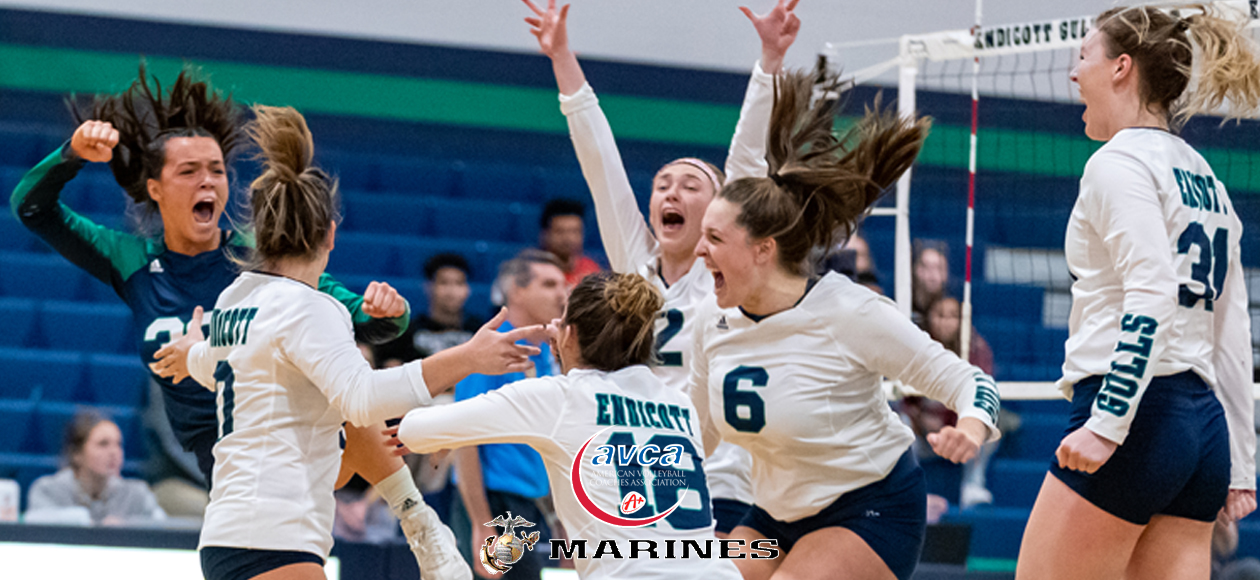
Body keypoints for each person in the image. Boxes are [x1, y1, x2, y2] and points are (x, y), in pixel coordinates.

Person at [9, 66, 461, 574]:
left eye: (218, 170)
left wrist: (388, 311)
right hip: (226, 469)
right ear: (154, 188)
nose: (208, 180)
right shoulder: (131, 260)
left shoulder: (262, 262)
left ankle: (419, 521)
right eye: (189, 171)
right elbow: (32, 209)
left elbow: (357, 320)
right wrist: (71, 155)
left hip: (291, 453)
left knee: (350, 371)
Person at [151, 105, 552, 580]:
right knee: (350, 403)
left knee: (337, 409)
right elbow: (364, 399)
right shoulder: (310, 307)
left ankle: (422, 524)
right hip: (277, 536)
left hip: (229, 534)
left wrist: (187, 350)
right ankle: (423, 525)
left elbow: (207, 362)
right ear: (330, 235)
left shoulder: (234, 299)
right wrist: (468, 356)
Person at [689, 70, 1000, 580]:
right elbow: (698, 432)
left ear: (762, 250)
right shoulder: (712, 320)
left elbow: (970, 381)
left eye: (715, 239)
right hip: (773, 514)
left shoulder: (850, 313)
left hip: (870, 506)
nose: (700, 251)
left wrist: (970, 426)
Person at [527, 0, 800, 537]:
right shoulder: (635, 266)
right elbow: (599, 160)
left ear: (721, 210)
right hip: (639, 475)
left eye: (690, 185)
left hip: (719, 477)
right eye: (662, 185)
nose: (671, 191)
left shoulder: (729, 274)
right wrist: (561, 57)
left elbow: (747, 158)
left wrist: (769, 61)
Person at [1015, 6, 1258, 580]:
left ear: (1121, 67)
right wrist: (1242, 462)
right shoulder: (1206, 178)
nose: (1074, 75)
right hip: (1202, 432)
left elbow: (1152, 292)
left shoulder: (1116, 163)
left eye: (1082, 57)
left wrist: (1108, 422)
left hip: (1137, 414)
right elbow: (1232, 328)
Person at [392, 271, 742, 580]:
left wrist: (467, 357)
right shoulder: (678, 404)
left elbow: (413, 430)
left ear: (569, 335)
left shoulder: (559, 396)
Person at [449, 249, 567, 579]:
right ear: (516, 290)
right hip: (495, 503)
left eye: (562, 284)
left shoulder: (545, 354)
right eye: (548, 284)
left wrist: (558, 517)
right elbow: (464, 437)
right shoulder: (492, 349)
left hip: (527, 503)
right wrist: (481, 524)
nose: (562, 293)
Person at [26, 410, 166, 527]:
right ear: (77, 454)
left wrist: (127, 525)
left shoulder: (137, 494)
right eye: (103, 444)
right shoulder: (48, 490)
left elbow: (164, 527)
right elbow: (33, 520)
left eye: (118, 444)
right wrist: (83, 520)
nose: (114, 452)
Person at [376, 252, 485, 367]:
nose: (452, 291)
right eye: (444, 283)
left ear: (468, 289)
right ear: (428, 287)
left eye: (459, 283)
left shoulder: (479, 331)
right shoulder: (408, 333)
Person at [539, 198, 601, 289]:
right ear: (545, 234)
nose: (568, 238)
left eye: (575, 231)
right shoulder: (535, 274)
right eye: (560, 231)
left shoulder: (592, 270)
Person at [912, 242, 950, 329]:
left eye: (939, 268)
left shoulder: (953, 310)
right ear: (915, 270)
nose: (932, 276)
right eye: (925, 267)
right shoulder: (902, 304)